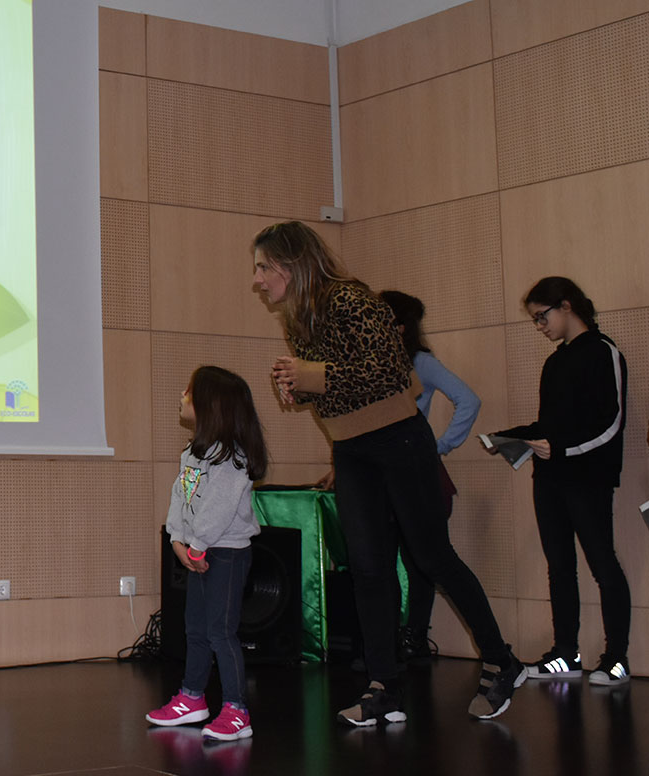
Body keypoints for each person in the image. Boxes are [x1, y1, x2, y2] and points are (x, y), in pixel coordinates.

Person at [254, 221, 523, 724]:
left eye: (263, 267)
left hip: (400, 440)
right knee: (368, 567)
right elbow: (337, 388)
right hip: (352, 449)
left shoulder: (352, 299)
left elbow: (390, 371)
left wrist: (312, 375)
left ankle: (501, 659)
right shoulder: (298, 318)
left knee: (432, 556)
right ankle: (384, 686)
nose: (258, 279)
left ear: (289, 265)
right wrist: (300, 389)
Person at [487, 277, 631, 686]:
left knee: (603, 564)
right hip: (548, 478)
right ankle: (565, 654)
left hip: (588, 478)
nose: (540, 326)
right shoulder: (555, 361)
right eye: (535, 320)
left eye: (541, 316)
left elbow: (611, 423)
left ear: (566, 306)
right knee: (559, 567)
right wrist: (513, 436)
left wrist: (565, 450)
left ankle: (616, 659)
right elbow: (549, 425)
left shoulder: (605, 352)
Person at [145, 366, 268, 742]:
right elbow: (180, 497)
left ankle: (236, 710)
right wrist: (177, 540)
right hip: (198, 551)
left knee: (220, 632)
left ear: (211, 404)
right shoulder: (193, 453)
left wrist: (196, 545)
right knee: (194, 628)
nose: (182, 396)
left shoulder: (232, 459)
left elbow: (218, 509)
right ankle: (192, 698)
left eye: (189, 391)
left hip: (226, 554)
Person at [379, 290, 481, 663]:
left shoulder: (420, 361)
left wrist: (439, 446)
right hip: (381, 473)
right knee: (381, 560)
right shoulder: (370, 363)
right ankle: (387, 640)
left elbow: (468, 400)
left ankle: (415, 638)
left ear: (400, 326)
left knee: (421, 560)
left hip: (416, 471)